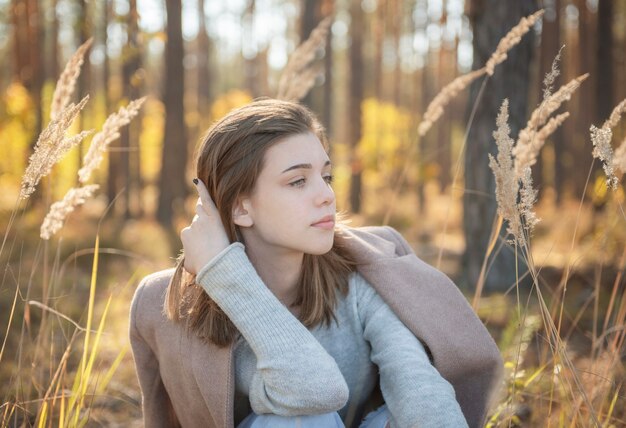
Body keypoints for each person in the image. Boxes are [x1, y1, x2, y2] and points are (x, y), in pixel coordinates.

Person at [129, 99, 503, 428]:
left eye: (326, 177)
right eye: (298, 182)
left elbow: (419, 390)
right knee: (299, 419)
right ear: (241, 206)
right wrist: (225, 274)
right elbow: (313, 392)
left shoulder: (361, 278)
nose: (327, 196)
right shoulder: (194, 305)